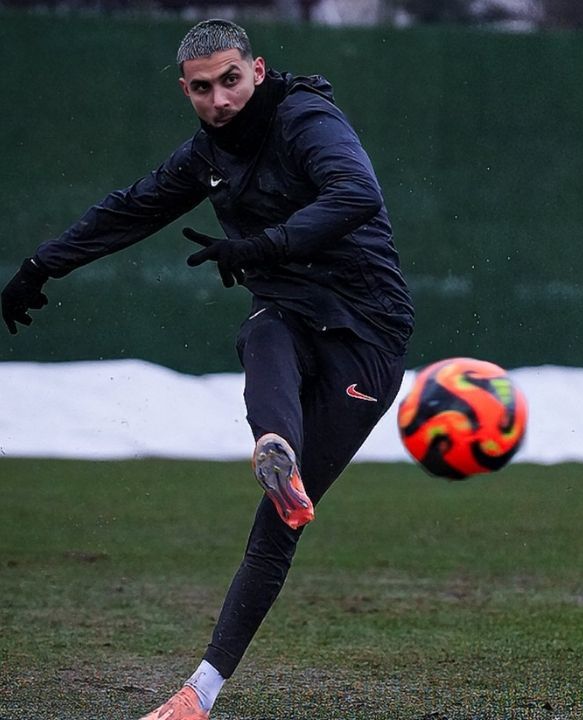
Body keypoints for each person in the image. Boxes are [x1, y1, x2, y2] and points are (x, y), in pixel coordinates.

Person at [0, 19, 414, 720]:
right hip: (288, 310)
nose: (219, 100)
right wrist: (42, 264)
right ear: (185, 90)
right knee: (262, 331)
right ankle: (273, 454)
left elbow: (357, 194)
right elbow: (130, 209)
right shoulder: (206, 154)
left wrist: (264, 244)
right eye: (201, 88)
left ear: (258, 70)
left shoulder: (306, 118)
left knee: (277, 527)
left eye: (230, 80)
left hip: (367, 331)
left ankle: (279, 467)